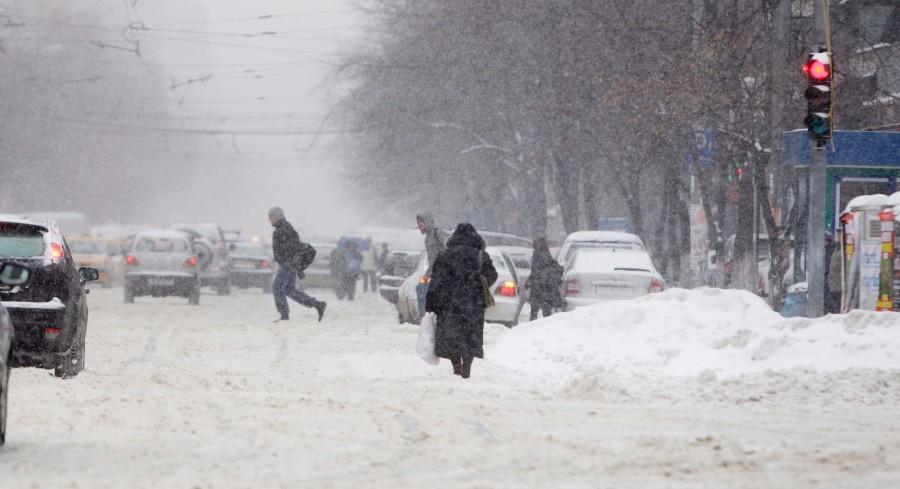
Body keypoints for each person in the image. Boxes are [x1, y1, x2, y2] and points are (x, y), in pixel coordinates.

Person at [425, 223, 498, 379]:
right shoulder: (480, 255)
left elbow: (435, 281)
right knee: (469, 337)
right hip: (473, 304)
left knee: (452, 337)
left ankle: (456, 366)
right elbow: (493, 275)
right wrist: (479, 284)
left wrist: (431, 303)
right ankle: (467, 368)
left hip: (449, 304)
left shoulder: (444, 255)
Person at [268, 207, 326, 322]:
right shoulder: (283, 228)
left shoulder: (284, 229)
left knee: (277, 288)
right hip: (289, 264)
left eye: (271, 217)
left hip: (288, 264)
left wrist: (288, 261)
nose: (269, 219)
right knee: (289, 290)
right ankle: (317, 304)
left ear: (277, 217)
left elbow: (292, 247)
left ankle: (284, 315)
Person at [416, 213, 446, 317]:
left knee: (425, 291)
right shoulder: (427, 238)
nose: (419, 225)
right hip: (431, 272)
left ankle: (428, 317)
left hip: (441, 272)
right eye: (418, 222)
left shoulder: (438, 233)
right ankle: (425, 317)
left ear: (427, 222)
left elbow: (448, 250)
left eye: (421, 222)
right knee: (420, 288)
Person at [527, 237, 564, 320]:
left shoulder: (538, 254)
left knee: (536, 309)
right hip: (545, 286)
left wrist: (531, 280)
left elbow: (537, 270)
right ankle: (542, 322)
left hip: (540, 286)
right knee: (544, 309)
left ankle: (535, 323)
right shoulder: (544, 253)